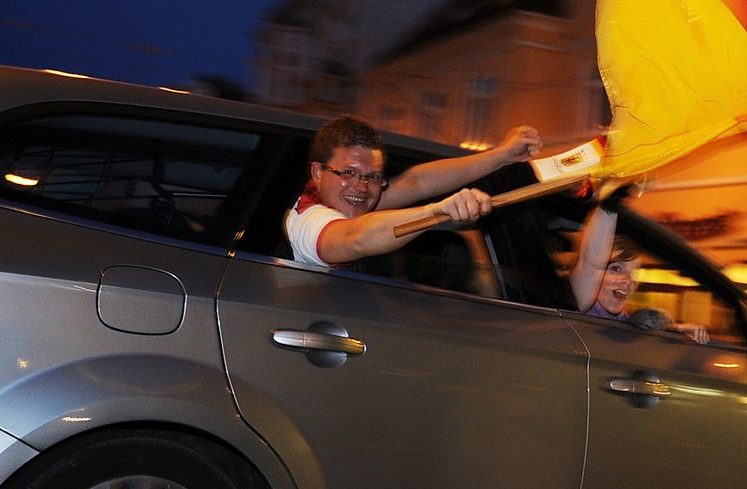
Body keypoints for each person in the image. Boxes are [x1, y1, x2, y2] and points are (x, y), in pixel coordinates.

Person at [285, 115, 541, 268]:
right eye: (348, 173)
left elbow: (416, 183)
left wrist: (500, 156)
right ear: (318, 173)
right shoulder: (310, 223)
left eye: (373, 177)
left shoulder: (346, 201)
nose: (361, 187)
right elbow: (358, 237)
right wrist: (437, 212)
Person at [568, 188, 709, 342]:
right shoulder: (578, 307)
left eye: (634, 274)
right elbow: (591, 262)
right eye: (616, 269)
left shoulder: (622, 322)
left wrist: (678, 331)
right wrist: (611, 202)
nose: (628, 280)